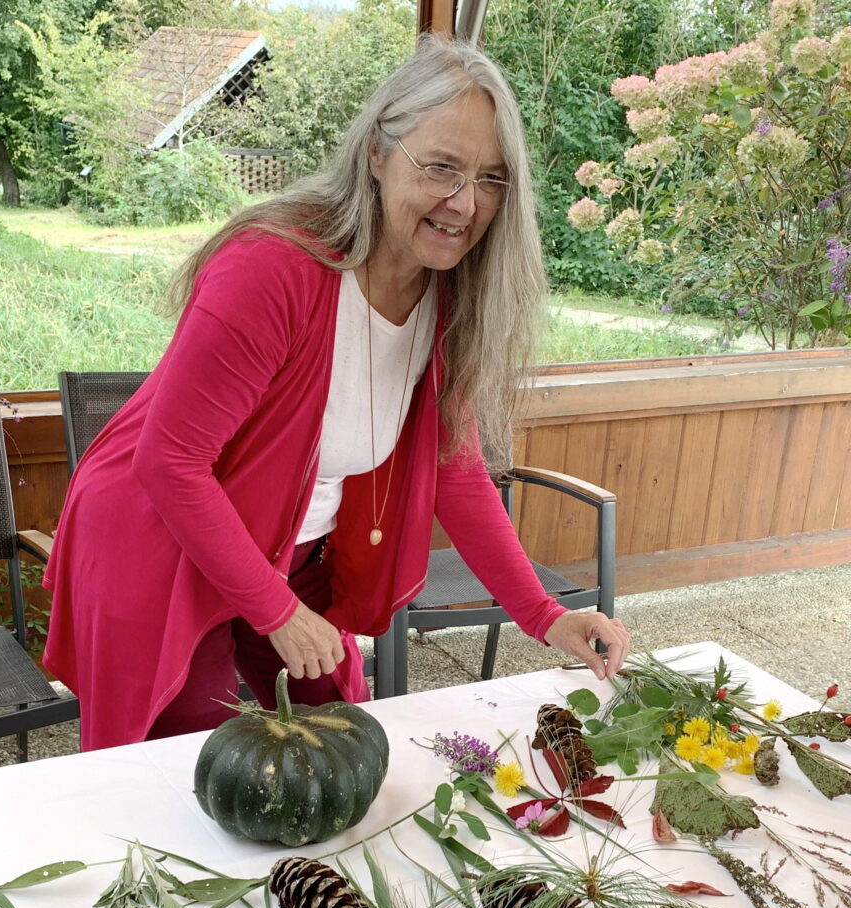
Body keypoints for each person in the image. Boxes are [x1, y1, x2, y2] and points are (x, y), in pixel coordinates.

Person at [44, 35, 630, 752]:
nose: (464, 202)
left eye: (491, 178)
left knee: (345, 737)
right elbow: (170, 464)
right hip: (164, 543)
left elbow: (456, 469)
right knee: (188, 768)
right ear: (377, 156)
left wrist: (543, 615)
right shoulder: (272, 268)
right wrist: (275, 611)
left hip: (292, 553)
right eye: (442, 167)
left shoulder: (449, 301)